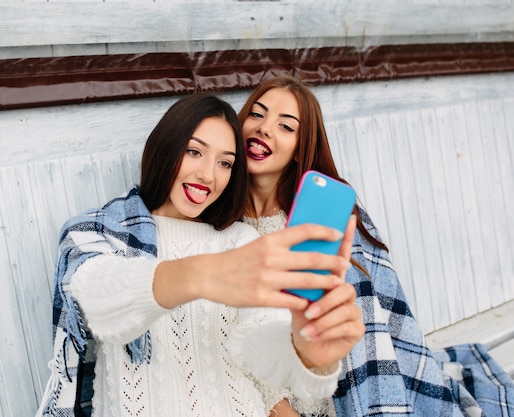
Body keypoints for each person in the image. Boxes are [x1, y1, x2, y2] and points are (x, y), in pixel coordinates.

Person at [35, 93, 365, 417]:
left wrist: (307, 352)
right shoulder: (96, 230)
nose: (208, 175)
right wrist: (202, 276)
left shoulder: (239, 240)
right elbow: (97, 300)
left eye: (225, 163)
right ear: (165, 148)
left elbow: (259, 348)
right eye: (195, 151)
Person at [237, 74, 514, 417]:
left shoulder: (327, 216)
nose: (264, 128)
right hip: (253, 386)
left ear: (300, 149)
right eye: (257, 114)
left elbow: (372, 311)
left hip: (329, 379)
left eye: (286, 126)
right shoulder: (223, 220)